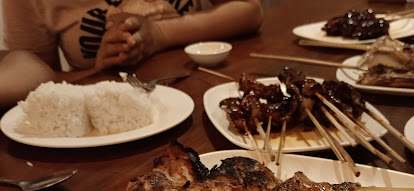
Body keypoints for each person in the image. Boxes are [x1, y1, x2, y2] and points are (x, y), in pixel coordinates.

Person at [0, 0, 263, 105]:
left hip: (210, 91)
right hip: (112, 122)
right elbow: (39, 83)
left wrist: (159, 34)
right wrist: (97, 68)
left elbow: (249, 10)